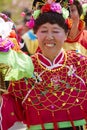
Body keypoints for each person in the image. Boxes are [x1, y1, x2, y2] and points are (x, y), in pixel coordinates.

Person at [0, 1, 87, 130]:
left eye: (56, 31)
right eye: (44, 31)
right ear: (35, 33)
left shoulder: (81, 63)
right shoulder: (26, 68)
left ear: (66, 34)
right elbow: (11, 108)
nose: (49, 37)